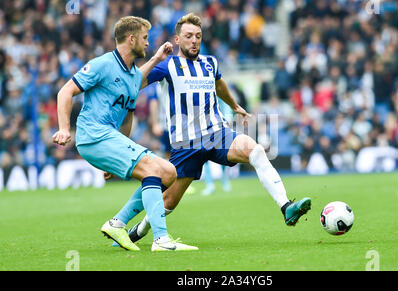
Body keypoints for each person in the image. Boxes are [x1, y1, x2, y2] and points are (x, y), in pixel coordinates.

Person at [115, 13, 311, 243]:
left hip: (217, 134)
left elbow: (219, 84)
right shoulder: (168, 65)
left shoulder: (210, 63)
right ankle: (140, 230)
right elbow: (135, 82)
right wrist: (156, 58)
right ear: (178, 40)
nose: (194, 40)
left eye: (198, 36)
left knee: (256, 150)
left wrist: (234, 105)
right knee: (168, 202)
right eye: (188, 36)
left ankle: (286, 206)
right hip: (186, 144)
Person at [52, 16, 197, 252]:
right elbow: (65, 91)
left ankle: (117, 223)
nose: (148, 43)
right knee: (153, 169)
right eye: (145, 38)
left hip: (109, 139)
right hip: (93, 135)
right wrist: (64, 128)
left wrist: (157, 58)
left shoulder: (132, 76)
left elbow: (128, 115)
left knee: (169, 173)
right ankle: (161, 240)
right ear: (131, 39)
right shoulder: (102, 64)